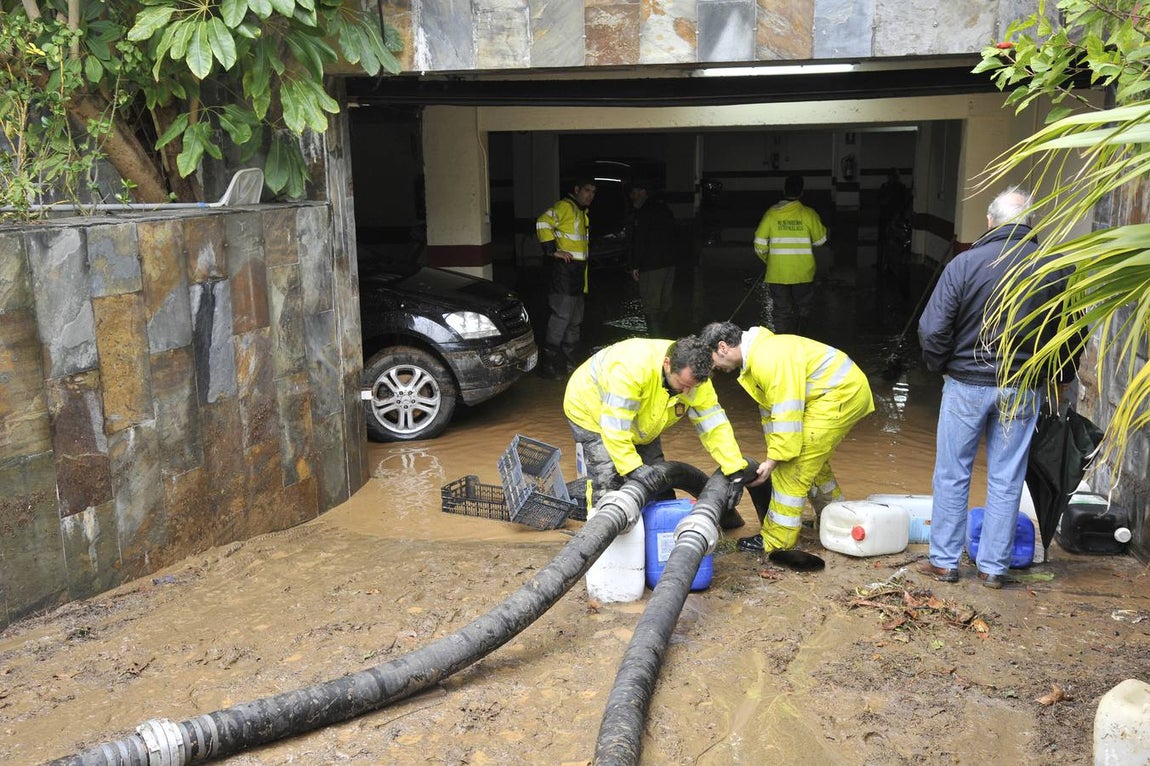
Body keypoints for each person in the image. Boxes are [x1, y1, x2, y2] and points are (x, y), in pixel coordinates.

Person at [916, 186, 1073, 589]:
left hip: (966, 384)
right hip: (1024, 387)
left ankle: (944, 562)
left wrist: (943, 367)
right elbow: (1072, 334)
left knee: (952, 473)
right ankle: (993, 568)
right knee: (1007, 476)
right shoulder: (1055, 268)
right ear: (1031, 222)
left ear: (990, 222)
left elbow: (933, 329)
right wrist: (1059, 377)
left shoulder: (965, 264)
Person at [698, 321, 875, 553]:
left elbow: (786, 414)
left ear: (723, 347)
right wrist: (773, 455)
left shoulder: (766, 359)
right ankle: (834, 519)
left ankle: (777, 540)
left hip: (838, 395)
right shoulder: (760, 356)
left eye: (711, 359)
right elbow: (773, 416)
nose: (713, 367)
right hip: (839, 392)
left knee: (792, 469)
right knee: (812, 466)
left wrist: (775, 461)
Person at [563, 335, 756, 525]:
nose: (687, 392)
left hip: (644, 418)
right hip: (591, 409)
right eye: (683, 385)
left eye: (692, 387)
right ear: (667, 364)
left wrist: (734, 469)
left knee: (658, 481)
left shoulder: (697, 381)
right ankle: (599, 530)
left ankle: (658, 528)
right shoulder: (632, 370)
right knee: (606, 481)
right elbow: (615, 426)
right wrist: (633, 468)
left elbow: (714, 427)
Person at [752, 174, 827, 335]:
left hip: (777, 273)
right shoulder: (808, 214)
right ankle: (801, 338)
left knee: (781, 310)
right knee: (803, 308)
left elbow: (759, 244)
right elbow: (820, 240)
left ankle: (783, 341)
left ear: (784, 190)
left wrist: (770, 261)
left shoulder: (771, 214)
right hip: (803, 273)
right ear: (802, 192)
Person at [537, 178, 596, 378]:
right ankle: (549, 366)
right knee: (561, 320)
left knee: (574, 322)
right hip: (564, 276)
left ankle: (571, 365)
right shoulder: (566, 207)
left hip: (576, 276)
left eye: (593, 192)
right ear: (577, 190)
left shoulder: (580, 211)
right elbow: (542, 222)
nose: (590, 195)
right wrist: (552, 251)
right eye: (587, 190)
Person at [626, 181, 678, 337]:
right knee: (665, 303)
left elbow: (639, 240)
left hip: (651, 265)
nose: (632, 197)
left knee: (651, 306)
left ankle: (656, 341)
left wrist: (635, 265)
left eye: (634, 193)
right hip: (669, 263)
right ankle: (666, 339)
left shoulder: (643, 212)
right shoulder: (665, 209)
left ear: (643, 192)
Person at [876, 168, 909, 273]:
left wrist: (899, 216)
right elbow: (879, 200)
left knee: (892, 242)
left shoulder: (900, 188)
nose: (890, 178)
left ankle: (890, 264)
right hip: (886, 217)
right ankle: (883, 263)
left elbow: (903, 203)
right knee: (884, 241)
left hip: (894, 217)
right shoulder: (886, 187)